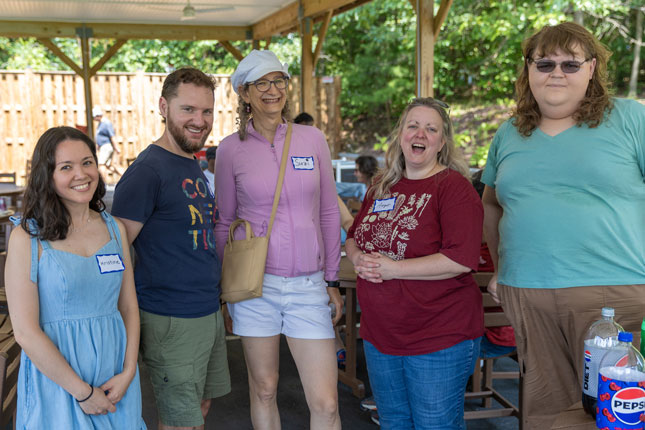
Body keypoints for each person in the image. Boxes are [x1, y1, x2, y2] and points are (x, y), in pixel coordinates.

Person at [481, 22, 645, 429]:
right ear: (529, 70)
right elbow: (491, 205)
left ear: (591, 69)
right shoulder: (508, 132)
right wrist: (502, 269)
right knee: (545, 408)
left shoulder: (628, 118)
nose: (557, 72)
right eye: (545, 63)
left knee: (613, 413)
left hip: (615, 292)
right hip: (527, 291)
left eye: (570, 64)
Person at [215, 49, 342, 430]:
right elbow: (224, 222)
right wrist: (227, 288)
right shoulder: (229, 149)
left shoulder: (312, 139)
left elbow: (329, 212)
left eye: (279, 80)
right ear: (245, 93)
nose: (273, 90)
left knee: (327, 402)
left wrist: (332, 279)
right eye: (262, 83)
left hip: (308, 284)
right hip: (256, 289)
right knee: (265, 388)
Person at [345, 97, 483, 429]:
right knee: (393, 422)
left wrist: (393, 269)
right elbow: (352, 236)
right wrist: (358, 257)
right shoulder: (381, 185)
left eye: (431, 128)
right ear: (401, 135)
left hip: (438, 335)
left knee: (435, 424)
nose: (420, 133)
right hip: (381, 335)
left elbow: (459, 260)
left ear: (442, 142)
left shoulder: (454, 189)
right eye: (412, 125)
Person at [111, 67, 230, 430]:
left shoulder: (190, 162)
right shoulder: (147, 171)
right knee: (180, 421)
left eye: (207, 111)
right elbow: (115, 252)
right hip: (169, 316)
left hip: (205, 309)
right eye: (188, 110)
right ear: (164, 107)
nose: (200, 120)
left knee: (200, 407)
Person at [4, 126, 145, 428]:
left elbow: (129, 307)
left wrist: (129, 370)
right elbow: (26, 333)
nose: (81, 174)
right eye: (66, 167)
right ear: (47, 176)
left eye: (87, 162)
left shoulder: (114, 229)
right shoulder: (26, 238)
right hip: (58, 382)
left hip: (115, 379)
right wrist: (82, 393)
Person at [93, 106, 122, 178]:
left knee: (101, 164)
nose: (93, 119)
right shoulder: (100, 124)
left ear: (98, 115)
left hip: (106, 146)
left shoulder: (106, 123)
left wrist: (116, 147)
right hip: (103, 147)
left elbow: (112, 136)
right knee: (108, 166)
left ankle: (104, 184)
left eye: (94, 117)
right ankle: (125, 176)